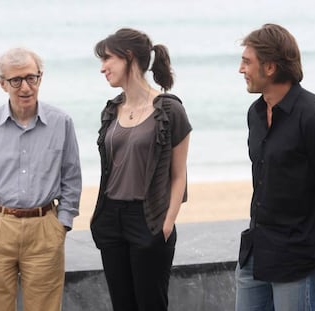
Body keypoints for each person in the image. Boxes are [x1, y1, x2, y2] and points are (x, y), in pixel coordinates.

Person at [0, 47, 82, 311]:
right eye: (16, 80)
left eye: (31, 78)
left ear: (40, 78)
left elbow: (72, 177)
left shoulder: (62, 123)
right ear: (2, 84)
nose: (25, 87)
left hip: (45, 229)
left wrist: (62, 224)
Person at [235, 23, 315, 311]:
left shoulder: (314, 117)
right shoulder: (256, 113)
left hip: (298, 256)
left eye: (247, 62)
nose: (240, 69)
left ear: (270, 67)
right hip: (256, 249)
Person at [90, 28, 192, 311]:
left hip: (148, 218)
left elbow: (179, 175)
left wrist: (167, 223)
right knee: (123, 305)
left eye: (107, 59)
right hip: (111, 217)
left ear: (129, 57)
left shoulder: (170, 110)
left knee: (151, 304)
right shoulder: (112, 110)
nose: (103, 68)